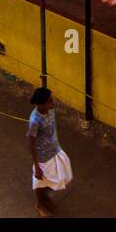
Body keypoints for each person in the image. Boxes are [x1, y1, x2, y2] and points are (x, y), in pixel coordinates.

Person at [28, 87, 72, 216]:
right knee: (40, 182)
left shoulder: (50, 111)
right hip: (43, 157)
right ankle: (40, 205)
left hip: (55, 150)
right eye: (49, 101)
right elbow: (31, 143)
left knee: (62, 177)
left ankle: (44, 197)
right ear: (41, 104)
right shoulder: (34, 121)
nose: (53, 102)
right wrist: (36, 166)